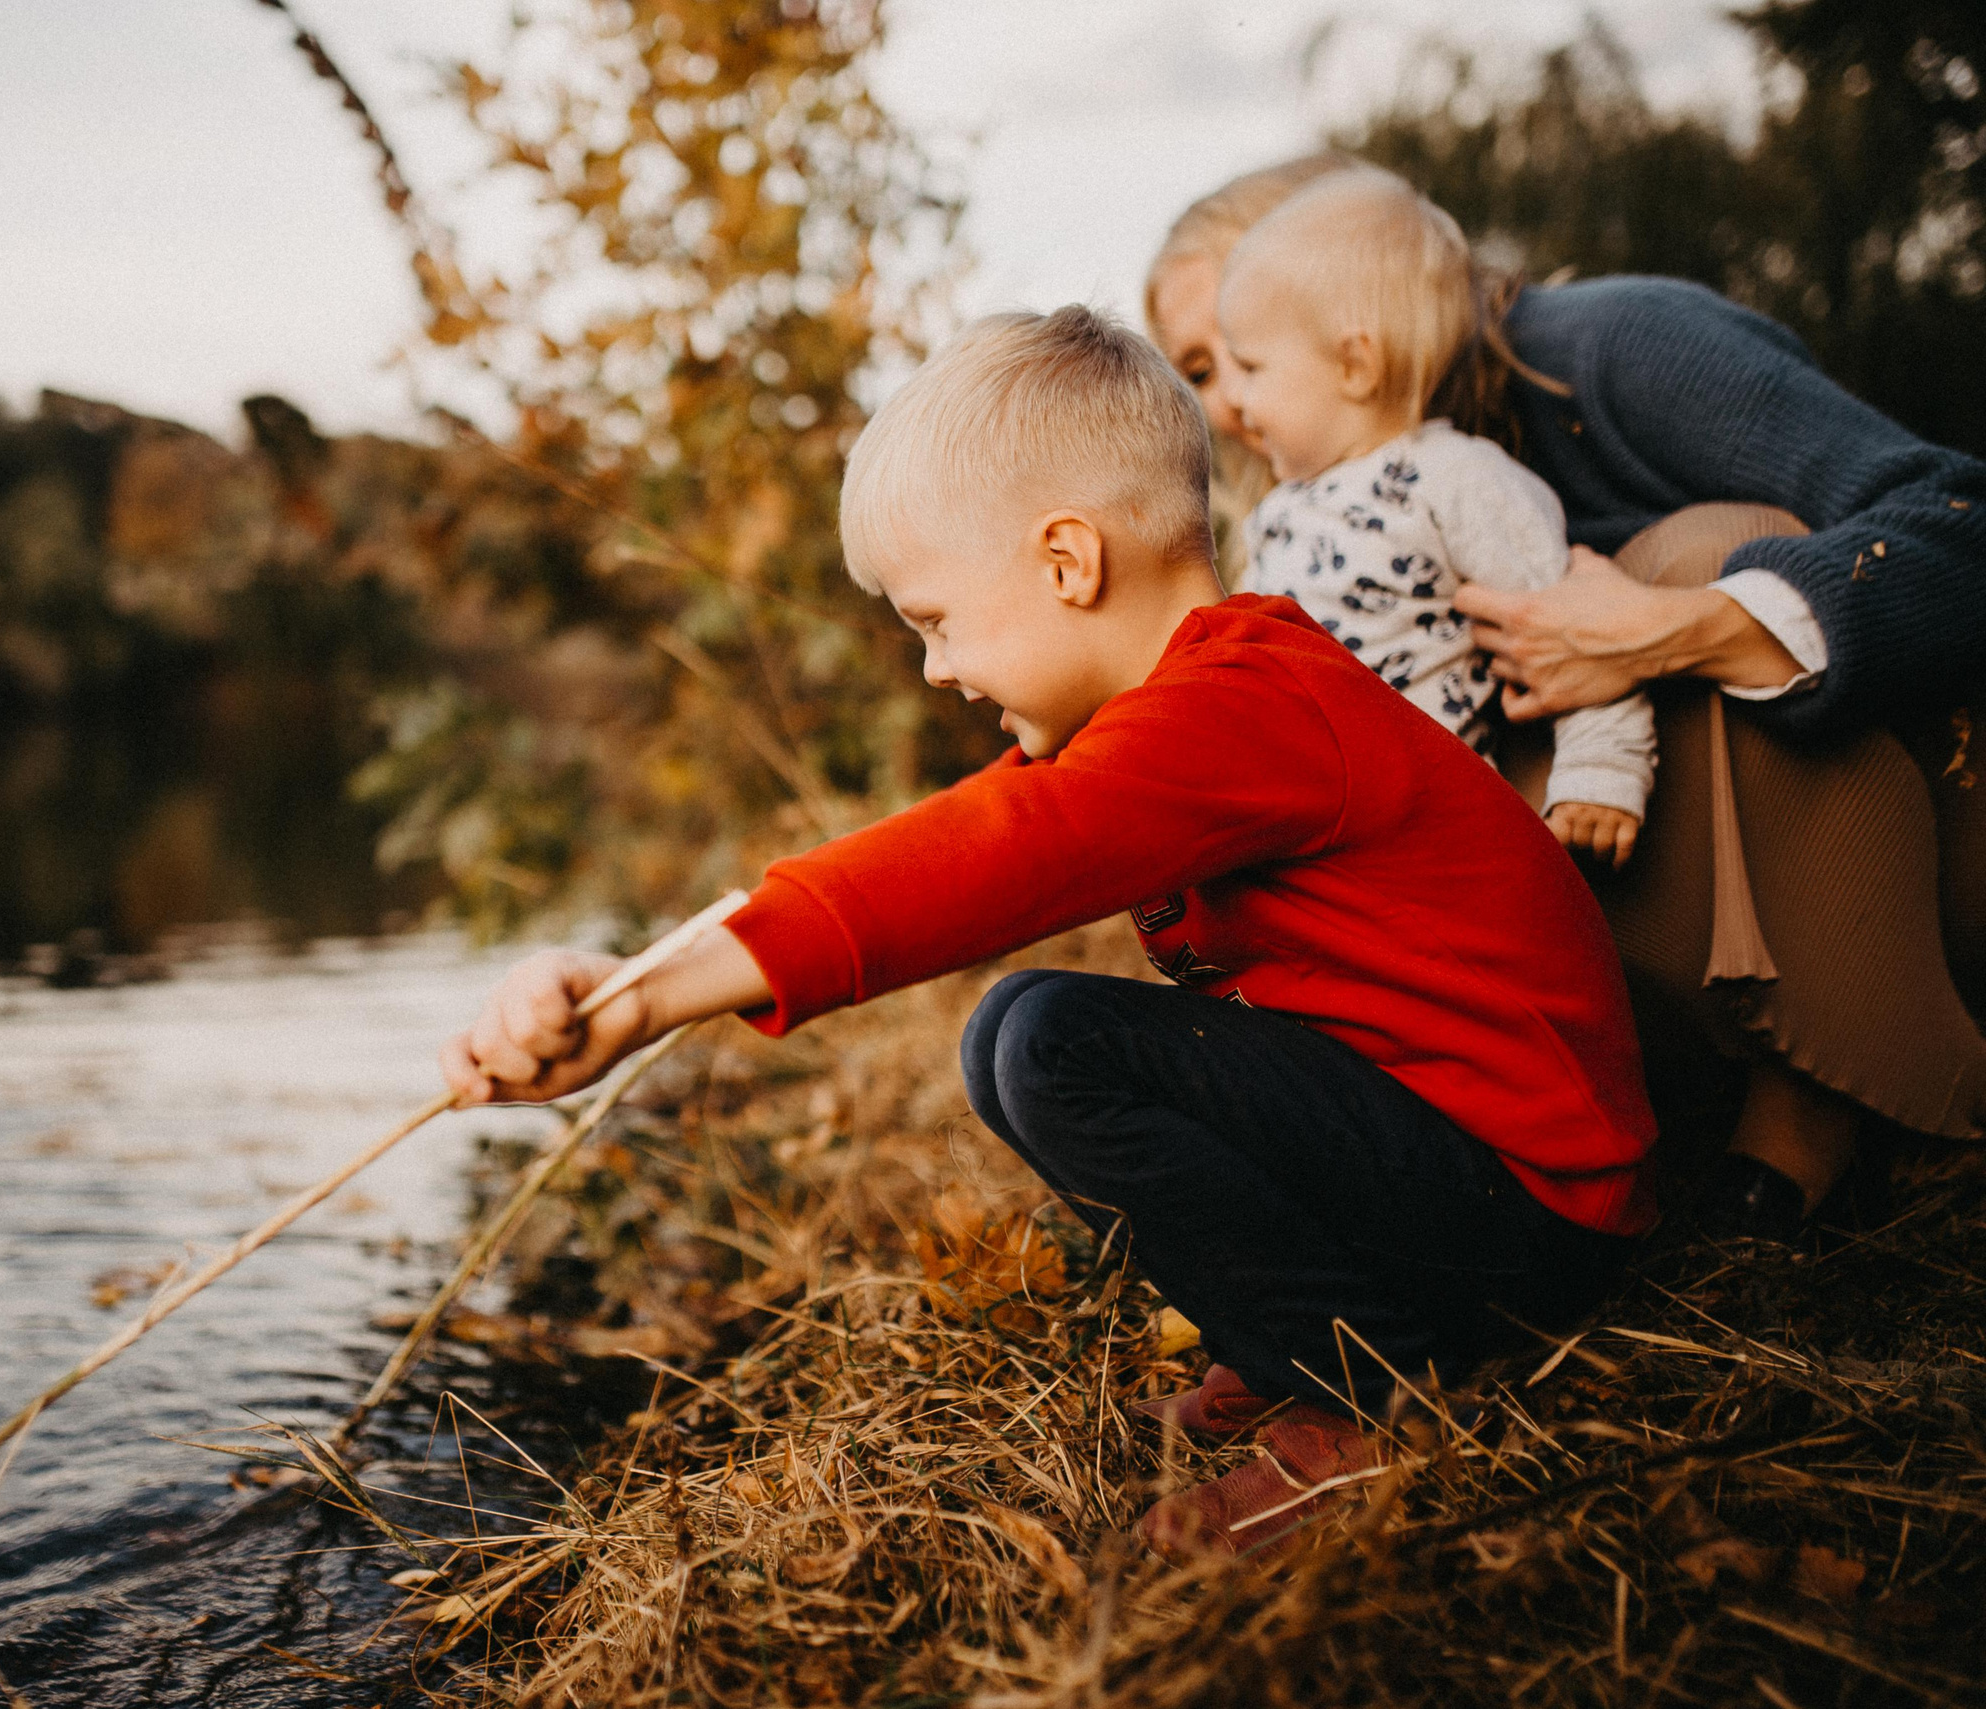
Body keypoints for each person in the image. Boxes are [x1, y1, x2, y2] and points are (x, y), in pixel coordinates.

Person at [441, 306, 1655, 1559]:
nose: (934, 670)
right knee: (1018, 1041)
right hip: (1449, 1165)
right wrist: (647, 965)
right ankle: (1300, 1338)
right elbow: (970, 831)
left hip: (1531, 1204)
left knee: (1046, 1037)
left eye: (937, 621)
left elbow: (1004, 850)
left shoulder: (1240, 705)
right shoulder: (1203, 701)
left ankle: (1358, 1402)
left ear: (1069, 561)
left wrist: (649, 1003)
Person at [1148, 156, 1986, 1243]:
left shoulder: (1612, 343)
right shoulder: (1331, 508)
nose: (1227, 408)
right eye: (1201, 375)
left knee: (1697, 552)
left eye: (1233, 354)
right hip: (1667, 865)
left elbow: (1958, 516)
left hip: (1921, 828)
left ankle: (1822, 1092)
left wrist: (1680, 626)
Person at [1218, 170, 1654, 867]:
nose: (1235, 400)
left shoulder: (1456, 479)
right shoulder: (1280, 509)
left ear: (1355, 365)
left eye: (1252, 366)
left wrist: (1602, 770)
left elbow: (1576, 634)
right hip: (1305, 843)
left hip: (1425, 848)